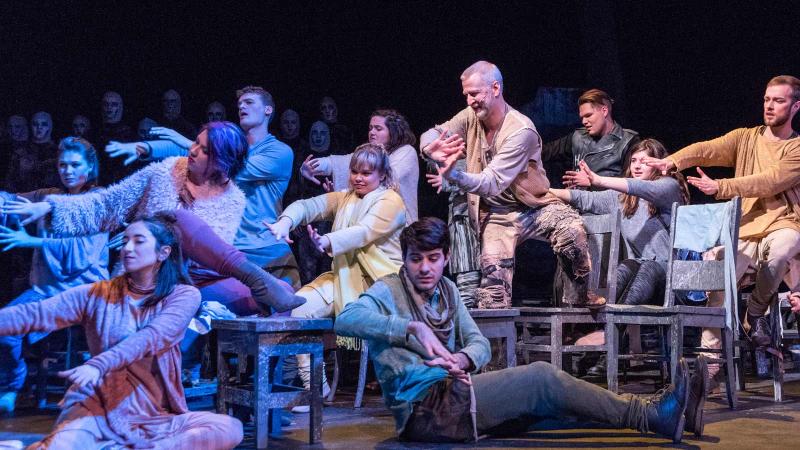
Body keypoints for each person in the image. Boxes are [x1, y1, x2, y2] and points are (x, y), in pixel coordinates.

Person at [335, 217, 708, 443]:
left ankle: (675, 416)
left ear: (446, 258)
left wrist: (464, 358)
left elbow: (477, 341)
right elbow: (346, 320)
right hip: (425, 411)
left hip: (456, 394)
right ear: (406, 260)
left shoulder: (447, 291)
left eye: (434, 259)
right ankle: (651, 416)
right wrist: (410, 327)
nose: (425, 268)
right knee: (542, 379)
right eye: (416, 259)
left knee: (557, 408)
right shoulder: (389, 289)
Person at [1, 121, 304, 315]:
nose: (193, 150)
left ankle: (262, 402)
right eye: (195, 143)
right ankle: (257, 278)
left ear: (221, 162)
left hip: (195, 279)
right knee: (175, 221)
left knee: (284, 295)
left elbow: (211, 255)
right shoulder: (164, 171)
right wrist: (51, 208)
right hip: (151, 277)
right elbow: (107, 204)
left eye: (203, 149)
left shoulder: (233, 198)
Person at [0, 213, 243, 449]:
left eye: (138, 241)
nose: (127, 248)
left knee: (229, 429)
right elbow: (35, 314)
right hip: (95, 407)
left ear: (163, 252)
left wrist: (98, 364)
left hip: (153, 415)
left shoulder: (183, 295)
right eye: (125, 241)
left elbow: (153, 336)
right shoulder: (98, 293)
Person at [643, 75, 800, 356]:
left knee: (781, 249)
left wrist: (721, 187)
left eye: (779, 100)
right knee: (719, 270)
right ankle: (711, 361)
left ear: (795, 106)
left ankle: (754, 315)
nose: (770, 106)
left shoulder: (796, 148)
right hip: (747, 228)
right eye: (767, 99)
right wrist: (673, 161)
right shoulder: (745, 138)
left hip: (785, 224)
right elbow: (708, 149)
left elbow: (770, 181)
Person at [421, 60, 597, 309]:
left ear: (495, 88)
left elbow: (491, 183)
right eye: (466, 95)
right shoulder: (470, 116)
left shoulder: (520, 130)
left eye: (474, 94)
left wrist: (455, 176)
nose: (470, 101)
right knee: (492, 294)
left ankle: (578, 303)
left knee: (571, 230)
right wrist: (430, 148)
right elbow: (435, 132)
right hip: (497, 216)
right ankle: (496, 347)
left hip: (534, 208)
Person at [266, 143, 406, 408]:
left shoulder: (391, 201)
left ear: (382, 175)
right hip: (343, 278)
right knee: (298, 310)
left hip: (380, 287)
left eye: (366, 173)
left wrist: (327, 241)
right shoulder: (345, 197)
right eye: (355, 171)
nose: (359, 178)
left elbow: (364, 232)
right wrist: (285, 221)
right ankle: (316, 390)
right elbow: (309, 206)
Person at [551, 138, 690, 376]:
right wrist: (540, 190)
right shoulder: (623, 200)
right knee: (623, 269)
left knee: (646, 267)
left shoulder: (668, 188)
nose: (637, 165)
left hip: (672, 277)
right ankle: (611, 339)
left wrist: (598, 180)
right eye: (633, 160)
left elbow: (643, 188)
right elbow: (585, 199)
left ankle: (609, 335)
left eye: (644, 161)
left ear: (658, 164)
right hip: (640, 275)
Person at [0, 137, 110, 413]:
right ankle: (12, 384)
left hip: (83, 291)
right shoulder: (49, 196)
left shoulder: (97, 201)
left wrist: (33, 242)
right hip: (46, 289)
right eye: (63, 165)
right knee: (4, 328)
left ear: (90, 167)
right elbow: (12, 201)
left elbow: (82, 253)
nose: (68, 170)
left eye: (75, 165)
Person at [302, 108, 420, 223]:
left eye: (378, 129)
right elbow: (339, 162)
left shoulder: (406, 151)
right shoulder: (370, 154)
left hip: (400, 224)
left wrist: (342, 195)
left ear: (393, 132)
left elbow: (387, 180)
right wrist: (311, 167)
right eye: (370, 128)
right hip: (372, 224)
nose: (372, 132)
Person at [542, 89, 640, 180]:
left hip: (608, 198)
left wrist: (592, 182)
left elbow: (631, 184)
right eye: (582, 117)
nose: (584, 121)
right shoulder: (578, 136)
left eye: (588, 115)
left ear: (604, 111)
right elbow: (547, 151)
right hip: (577, 197)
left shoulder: (628, 140)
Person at [96, 91, 138, 184]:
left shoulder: (128, 134)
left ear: (120, 107)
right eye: (106, 105)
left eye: (113, 105)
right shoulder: (96, 133)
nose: (109, 109)